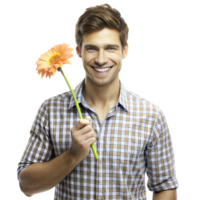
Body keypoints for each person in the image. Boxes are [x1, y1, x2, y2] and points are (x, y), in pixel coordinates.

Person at [16, 2, 180, 200]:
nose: (101, 59)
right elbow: (26, 185)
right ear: (79, 52)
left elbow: (165, 187)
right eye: (92, 48)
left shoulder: (152, 115)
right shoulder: (50, 110)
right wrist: (73, 155)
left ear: (125, 51)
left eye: (110, 48)